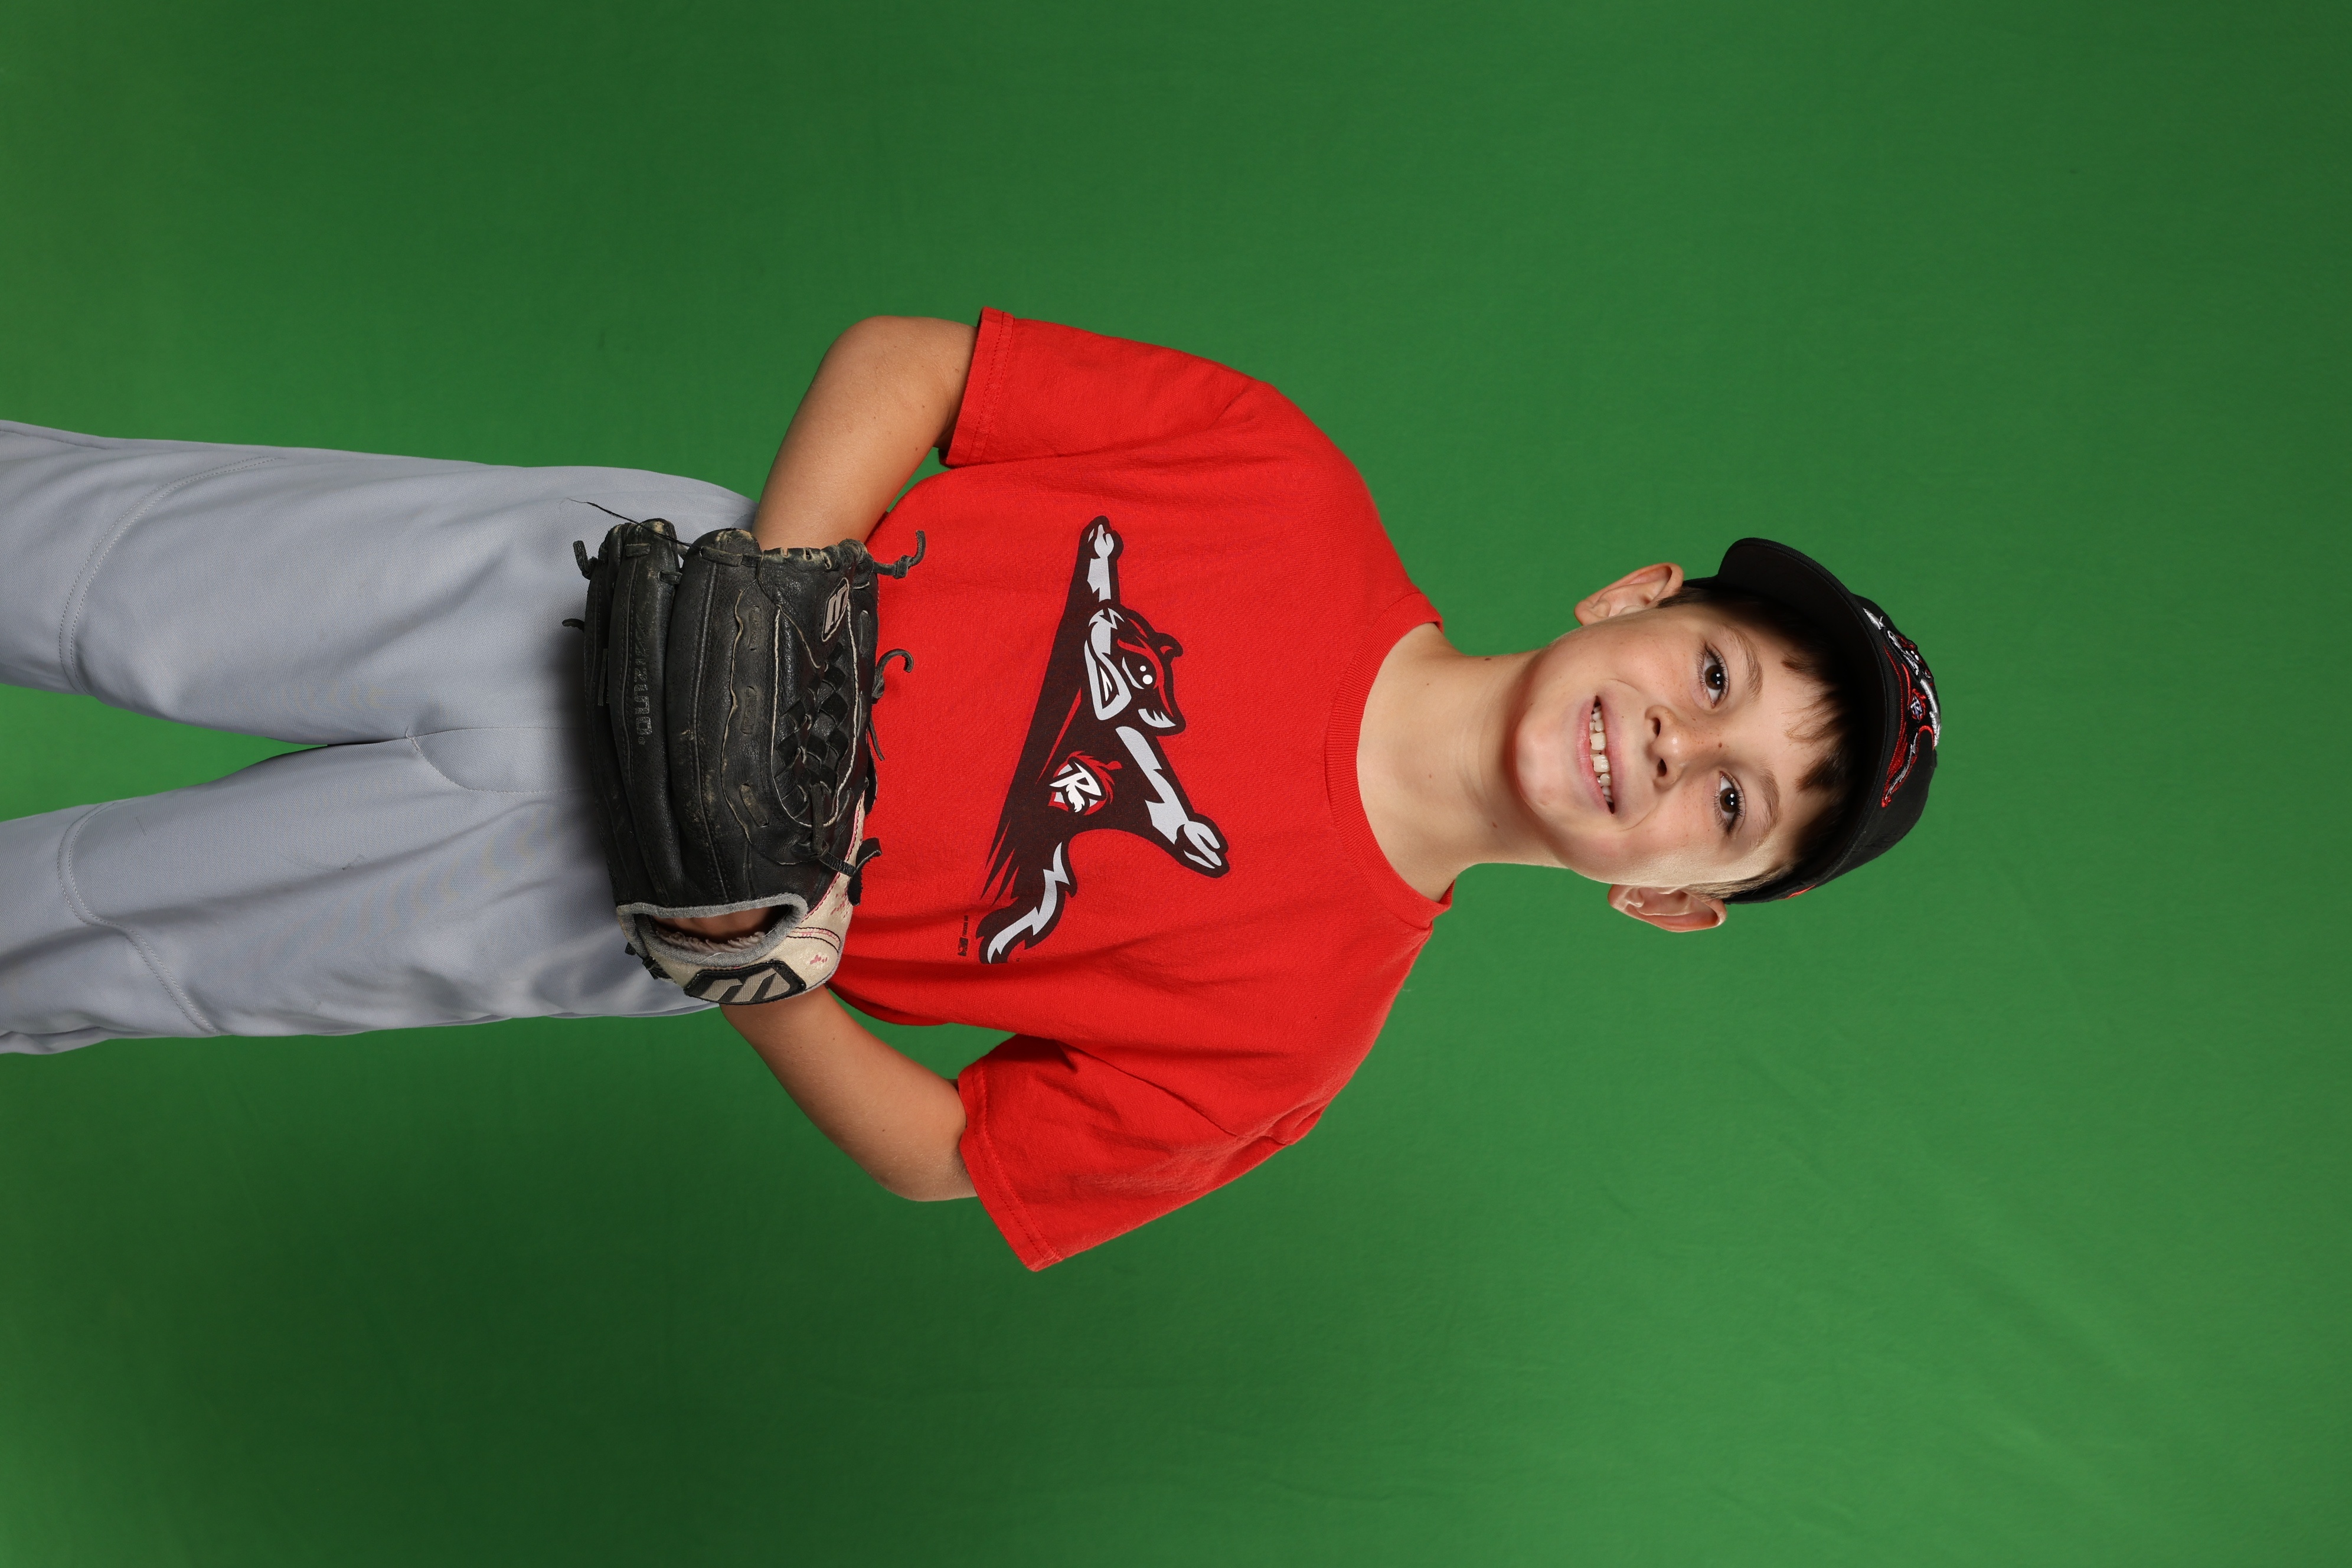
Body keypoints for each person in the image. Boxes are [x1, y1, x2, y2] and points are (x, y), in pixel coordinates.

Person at [0, 311, 1939, 1268]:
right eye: (1717, 678)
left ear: (1669, 901)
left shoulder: (1291, 1046)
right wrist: (777, 597)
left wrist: (753, 961)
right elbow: (918, 363)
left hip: (588, 898)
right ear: (1638, 597)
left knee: (90, 941)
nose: (1681, 748)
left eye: (1732, 811)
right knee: (86, 561)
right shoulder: (1282, 479)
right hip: (600, 596)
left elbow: (951, 1152)